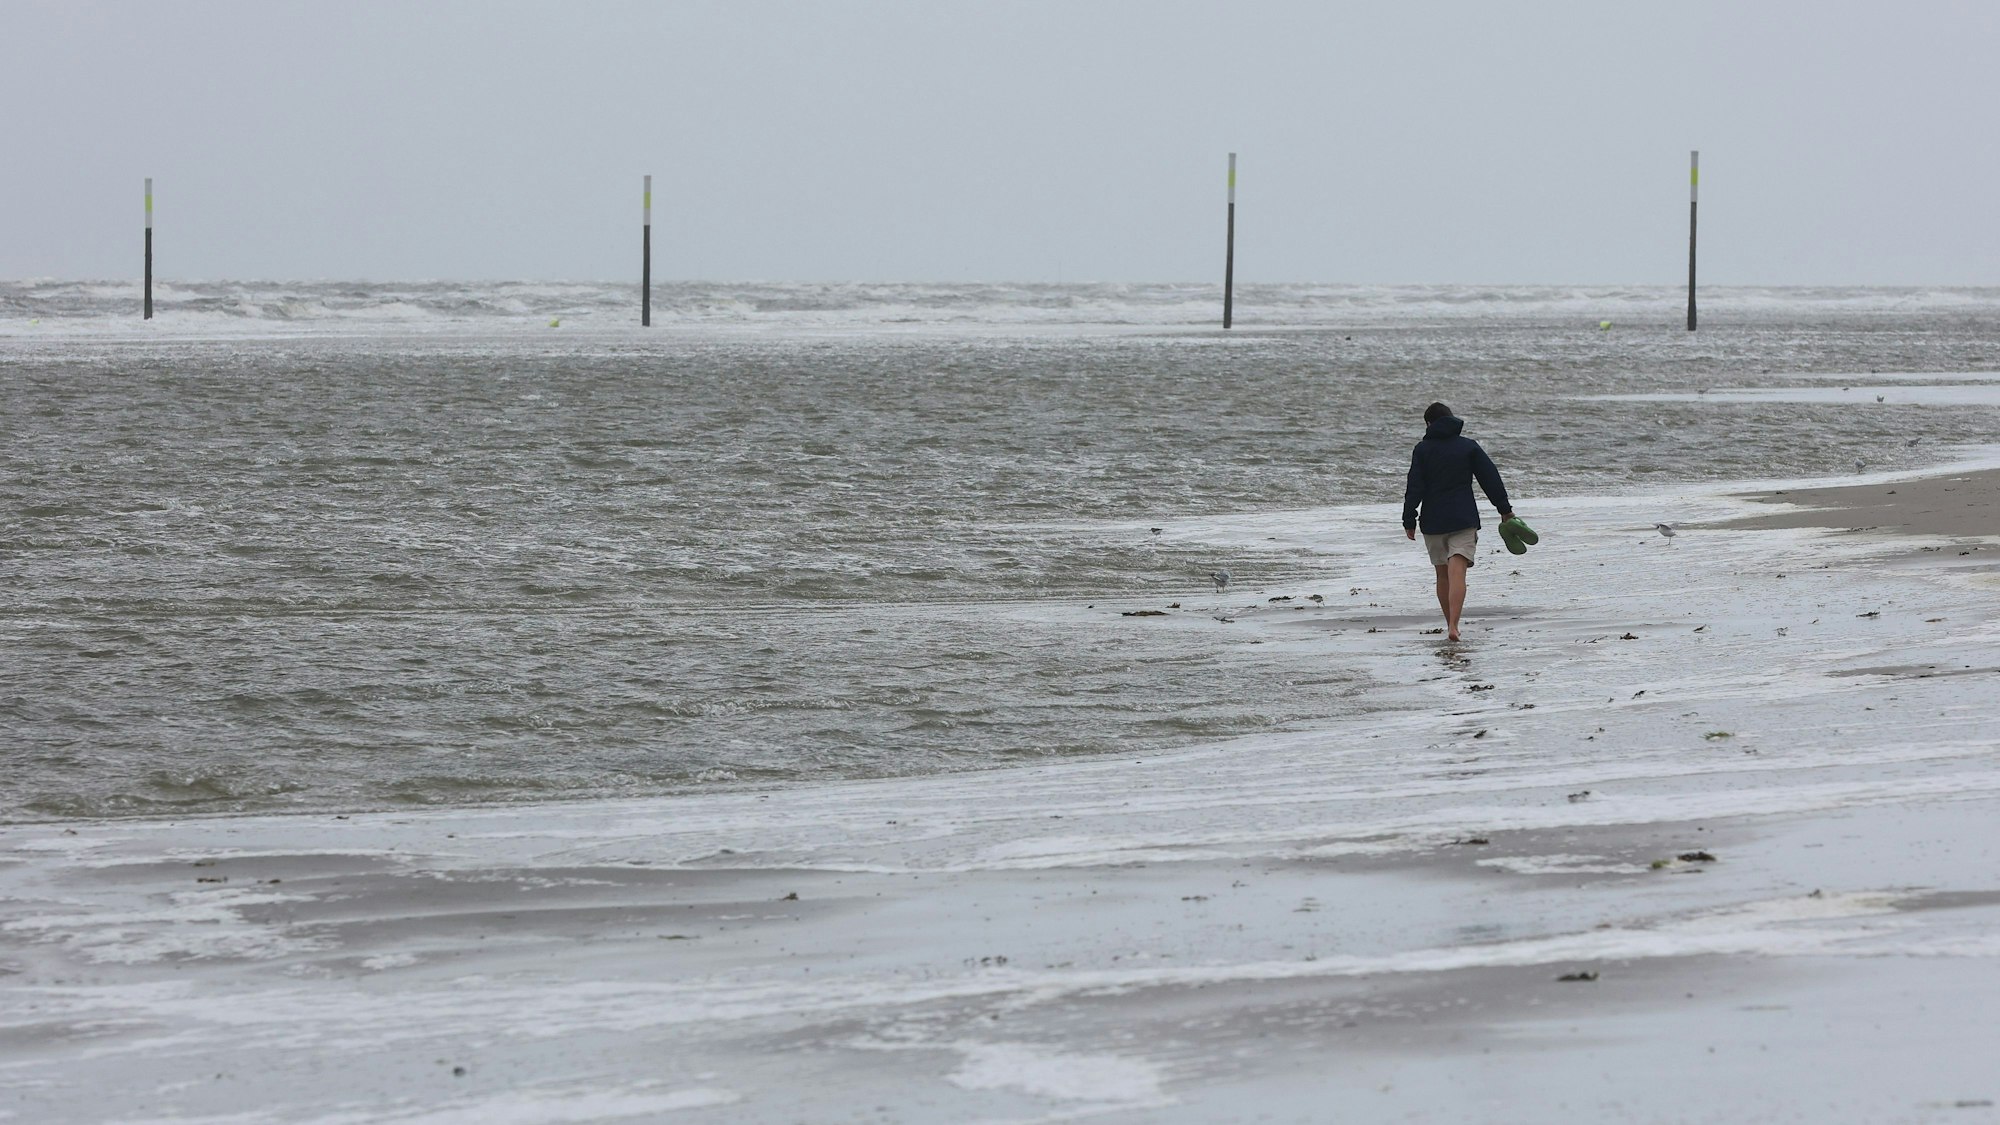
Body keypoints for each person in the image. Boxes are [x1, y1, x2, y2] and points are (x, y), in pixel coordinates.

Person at [1401, 402, 1514, 642]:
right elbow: (1490, 478)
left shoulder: (1422, 450)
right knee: (1458, 572)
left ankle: (1449, 624)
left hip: (1432, 521)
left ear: (1429, 424)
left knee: (1442, 575)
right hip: (1463, 518)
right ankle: (1454, 624)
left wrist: (1409, 518)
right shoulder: (1468, 447)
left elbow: (1414, 487)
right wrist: (1505, 510)